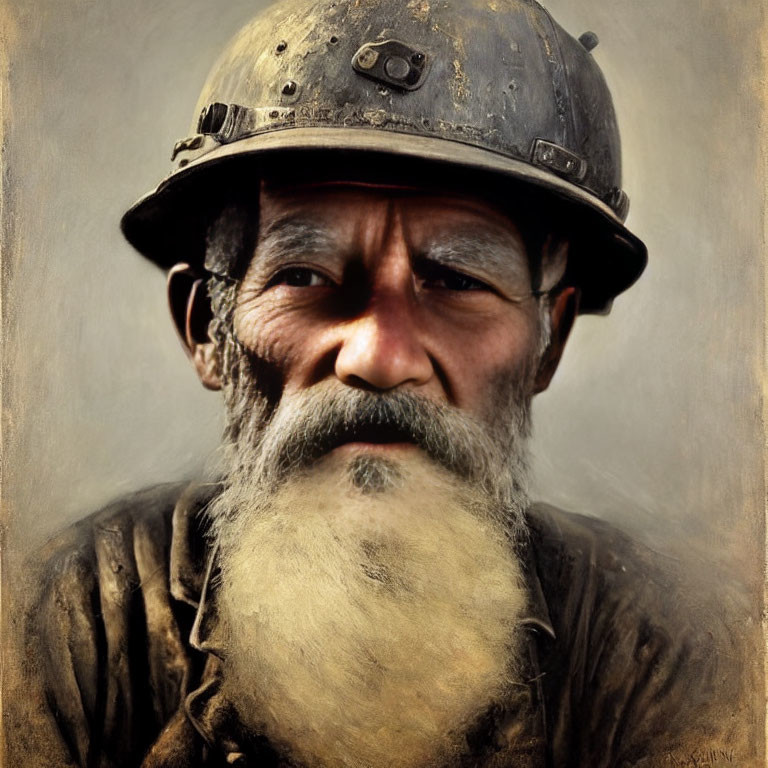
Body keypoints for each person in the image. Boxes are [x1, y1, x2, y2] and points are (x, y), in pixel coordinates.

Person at [7, 0, 748, 766]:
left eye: (456, 280)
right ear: (207, 330)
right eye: (304, 275)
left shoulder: (665, 652)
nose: (380, 355)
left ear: (547, 343)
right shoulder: (62, 626)